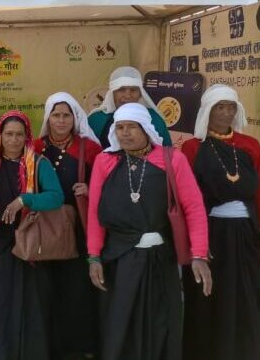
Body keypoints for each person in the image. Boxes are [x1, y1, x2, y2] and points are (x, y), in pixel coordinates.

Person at [87, 103, 211, 360]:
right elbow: (95, 214)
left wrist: (199, 255)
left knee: (161, 324)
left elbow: (194, 207)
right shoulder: (105, 161)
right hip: (119, 260)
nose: (125, 133)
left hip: (160, 260)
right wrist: (94, 257)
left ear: (145, 128)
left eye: (132, 127)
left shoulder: (172, 159)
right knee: (121, 324)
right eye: (120, 127)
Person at [181, 84, 260, 360]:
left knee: (245, 291)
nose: (226, 113)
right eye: (220, 107)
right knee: (210, 293)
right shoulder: (192, 148)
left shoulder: (250, 145)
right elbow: (187, 196)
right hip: (210, 232)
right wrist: (194, 240)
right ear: (208, 111)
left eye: (231, 107)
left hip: (245, 232)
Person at [0, 110, 64, 360]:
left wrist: (25, 199)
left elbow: (56, 197)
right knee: (1, 307)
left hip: (31, 247)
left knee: (33, 307)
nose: (13, 140)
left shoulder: (40, 164)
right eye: (9, 134)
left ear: (27, 137)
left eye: (19, 135)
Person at [34, 92, 102, 360]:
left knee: (77, 289)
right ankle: (49, 347)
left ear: (75, 118)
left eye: (66, 115)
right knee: (47, 289)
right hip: (43, 229)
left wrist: (90, 189)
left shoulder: (89, 149)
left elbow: (109, 183)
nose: (61, 121)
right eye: (56, 115)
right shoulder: (35, 148)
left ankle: (79, 347)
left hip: (77, 229)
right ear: (47, 118)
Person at [88, 66, 172, 148]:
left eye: (133, 90)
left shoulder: (154, 118)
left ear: (140, 94)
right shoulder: (96, 119)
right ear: (112, 93)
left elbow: (168, 152)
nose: (128, 96)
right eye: (121, 90)